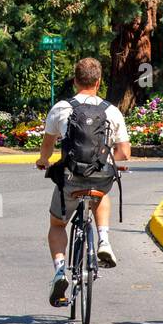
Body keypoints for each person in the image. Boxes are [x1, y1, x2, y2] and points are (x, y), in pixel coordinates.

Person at [36, 57, 130, 307]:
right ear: (99, 82)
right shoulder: (112, 111)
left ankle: (59, 271)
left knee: (57, 224)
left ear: (75, 80)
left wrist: (43, 161)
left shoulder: (61, 108)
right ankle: (104, 241)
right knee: (102, 192)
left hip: (69, 178)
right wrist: (111, 162)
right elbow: (125, 152)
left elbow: (47, 147)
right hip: (100, 178)